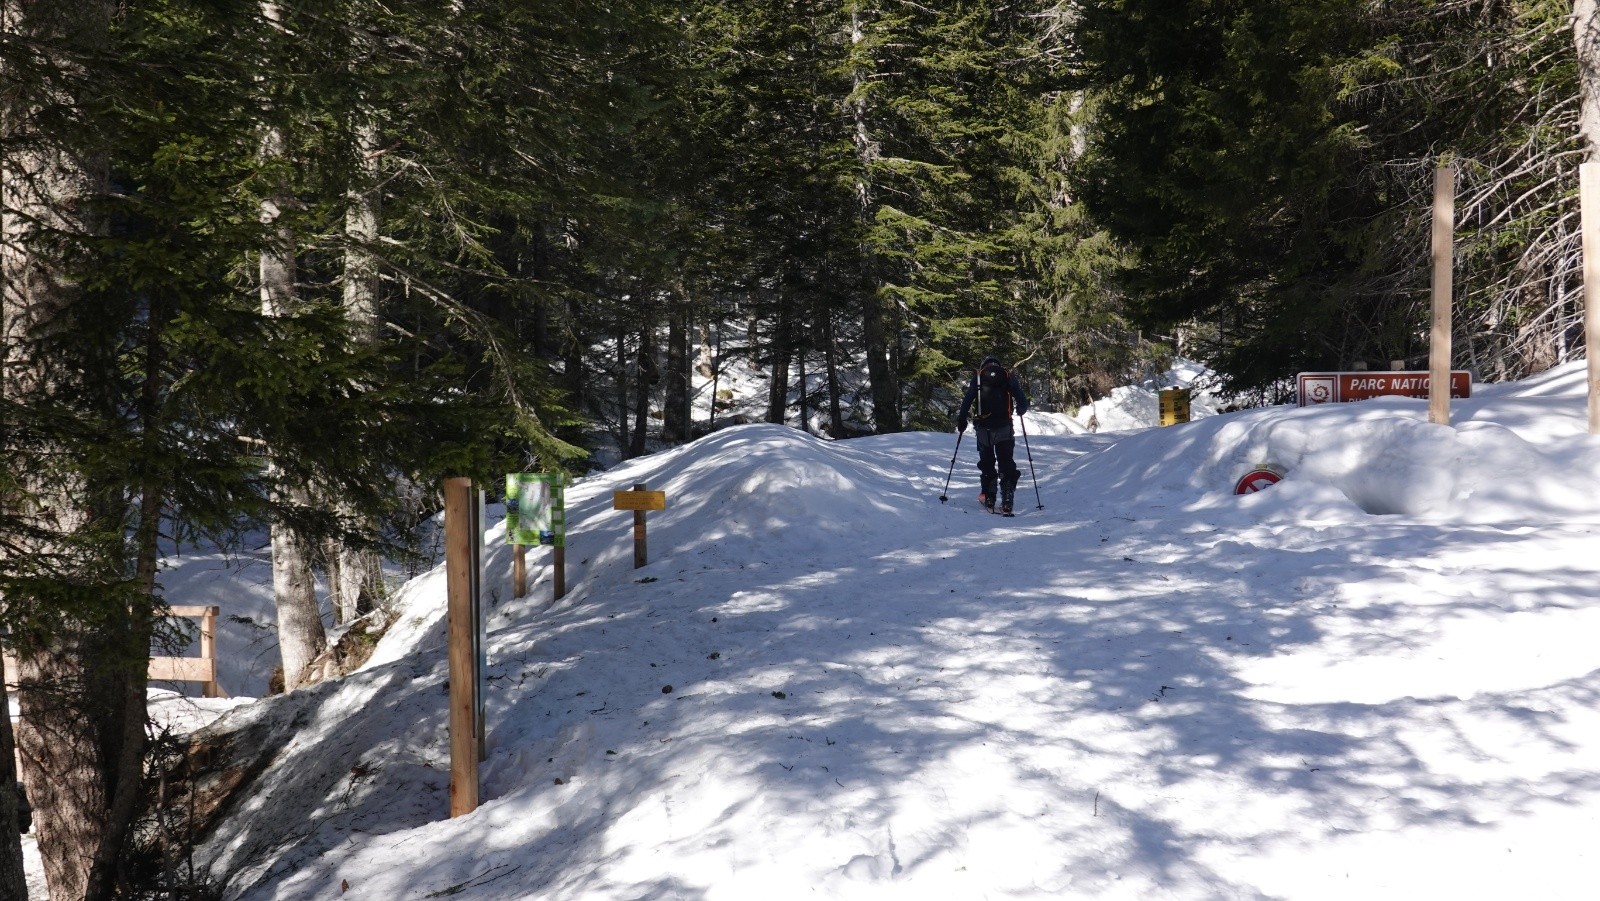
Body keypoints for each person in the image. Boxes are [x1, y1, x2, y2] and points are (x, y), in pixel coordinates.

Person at [955, 355, 1029, 514]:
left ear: (984, 365)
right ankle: (1007, 497)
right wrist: (1021, 408)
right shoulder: (1008, 376)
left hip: (984, 429)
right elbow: (1021, 399)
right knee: (1006, 462)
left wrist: (962, 420)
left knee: (987, 462)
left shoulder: (979, 378)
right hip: (1004, 427)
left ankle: (989, 496)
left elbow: (968, 399)